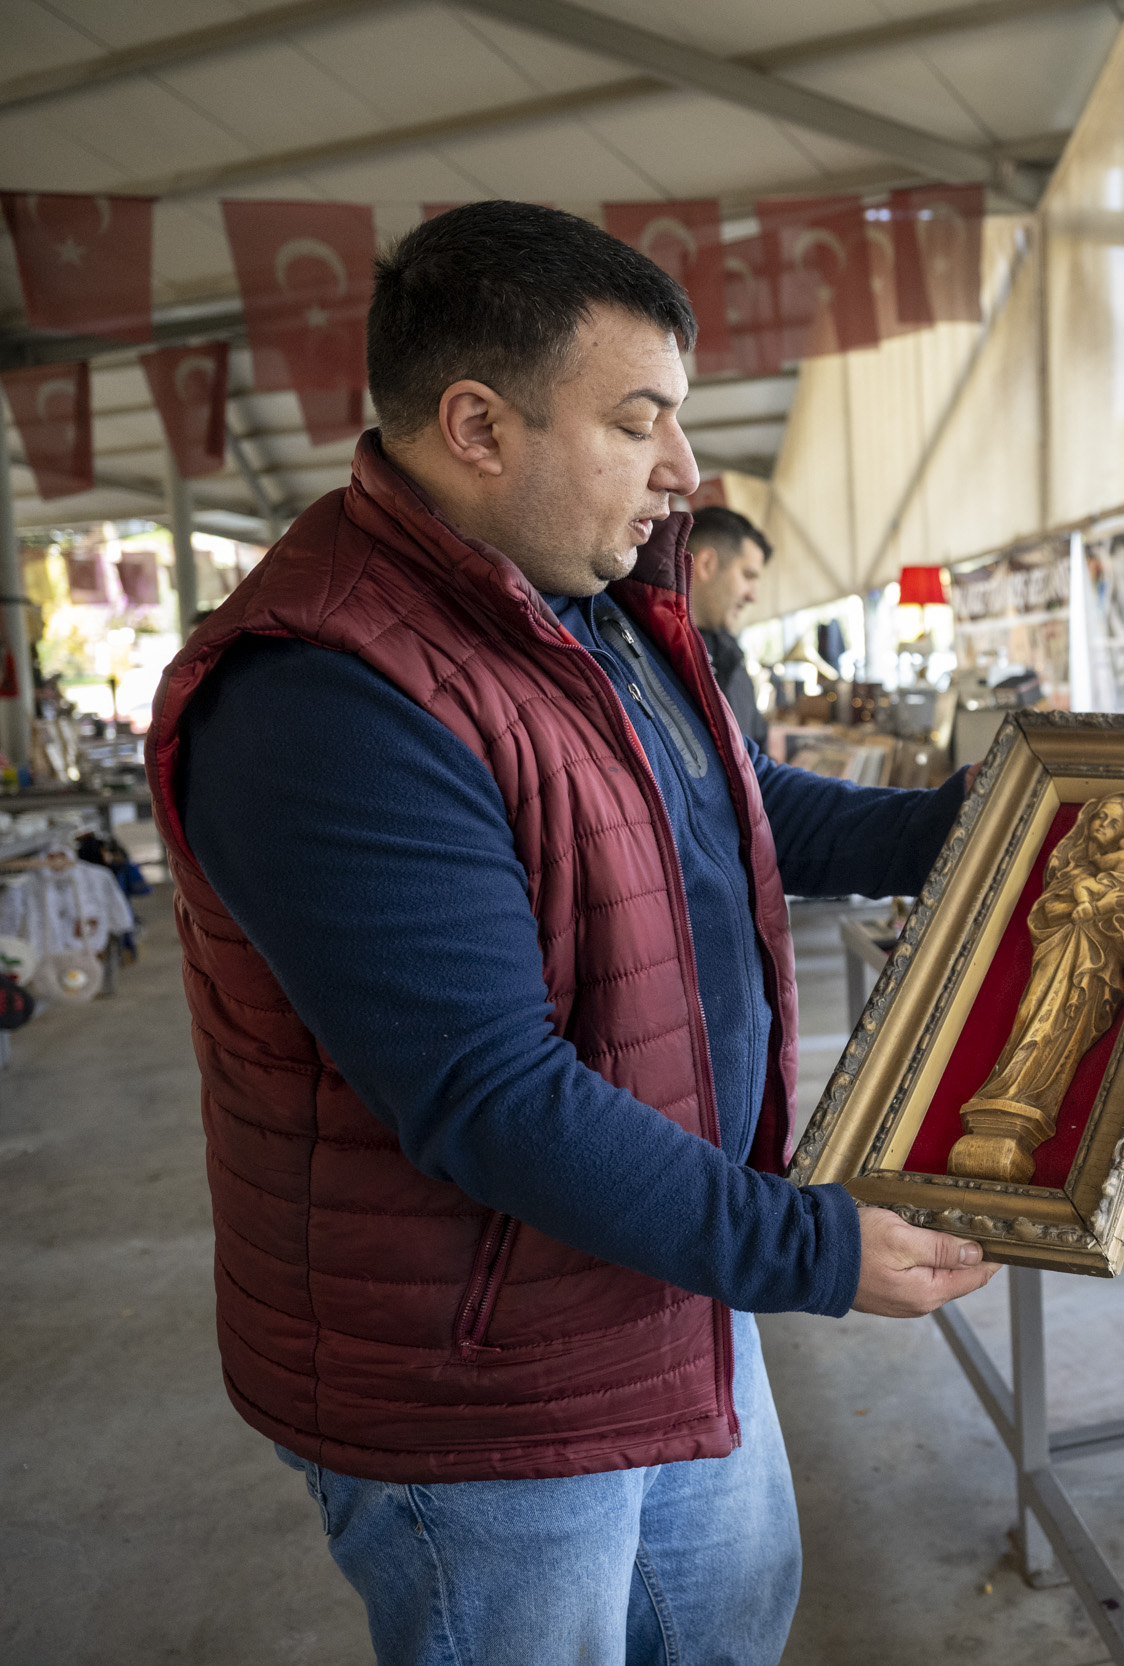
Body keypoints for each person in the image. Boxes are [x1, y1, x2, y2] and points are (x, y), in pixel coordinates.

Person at [144, 201, 998, 1666]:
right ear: (476, 423)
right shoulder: (327, 694)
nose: (681, 475)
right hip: (486, 1379)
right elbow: (488, 1093)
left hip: (666, 1272)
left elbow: (735, 805)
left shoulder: (577, 604)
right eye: (638, 421)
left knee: (724, 1636)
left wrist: (987, 822)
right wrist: (804, 1244)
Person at [686, 503, 773, 746]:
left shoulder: (733, 659)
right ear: (706, 564)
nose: (753, 596)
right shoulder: (645, 652)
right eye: (748, 575)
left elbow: (758, 760)